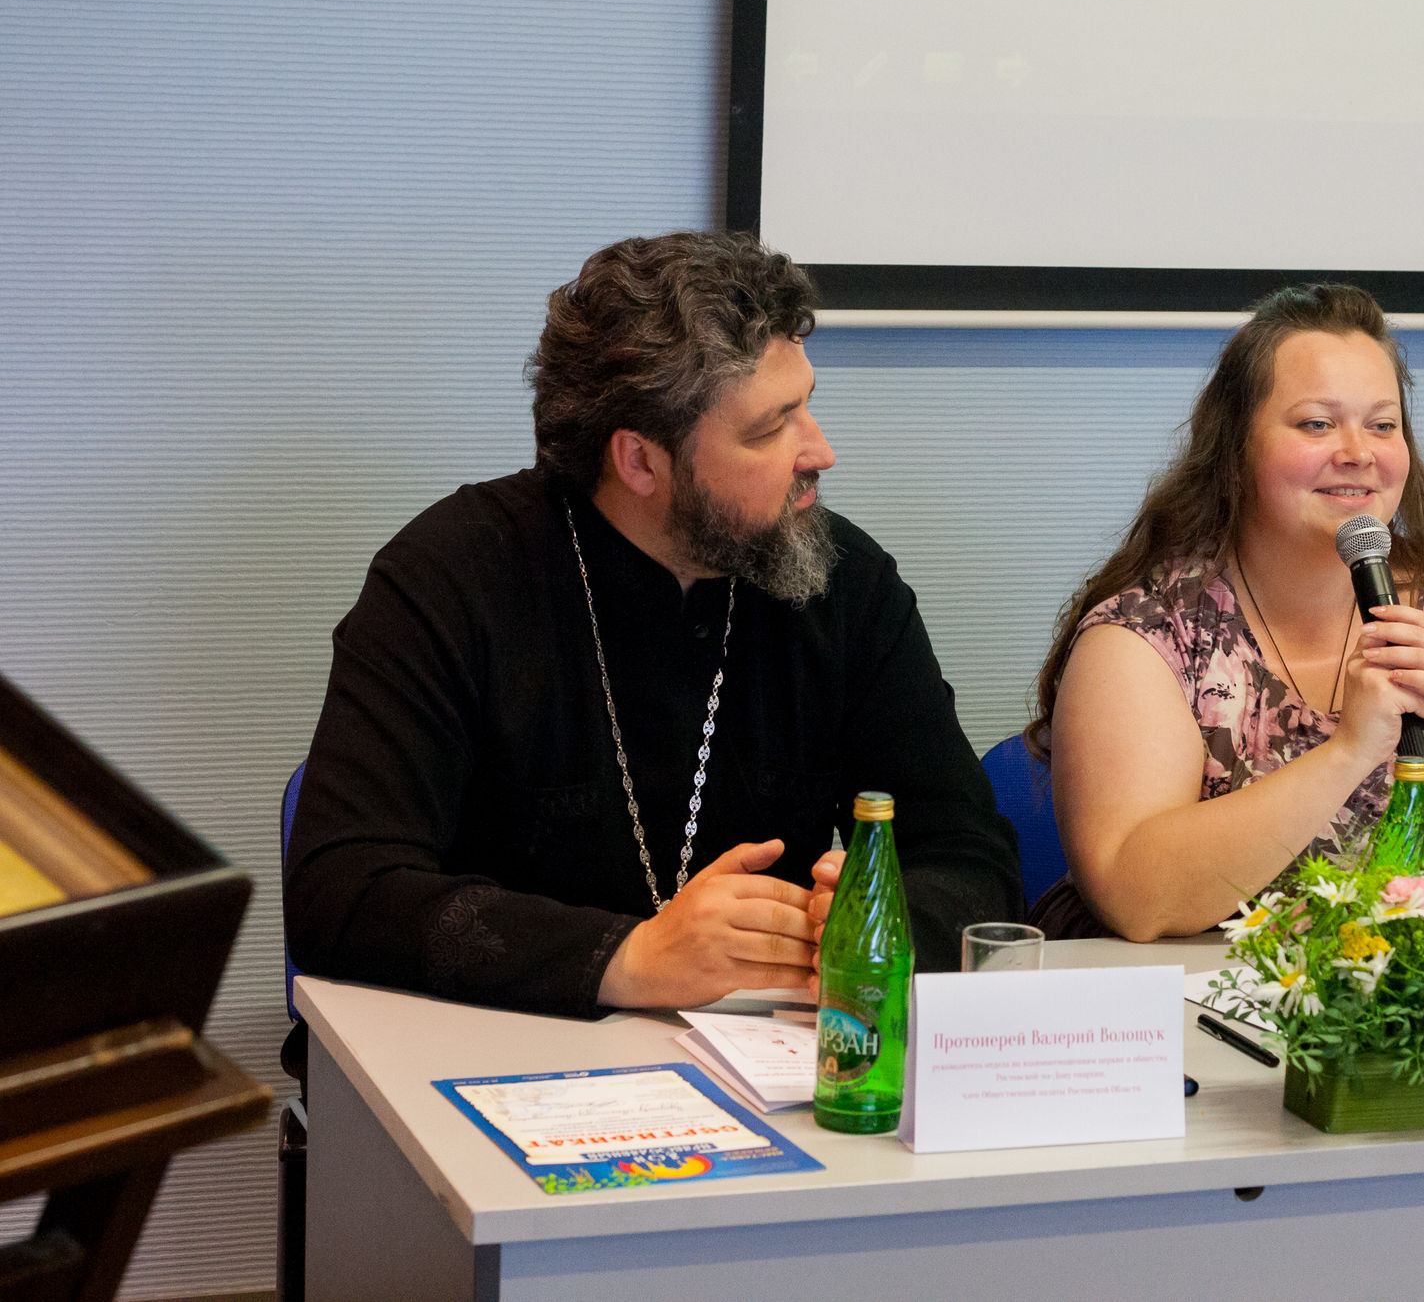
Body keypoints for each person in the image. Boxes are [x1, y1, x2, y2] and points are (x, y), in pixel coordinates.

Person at [284, 232, 1022, 1017]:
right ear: (639, 460)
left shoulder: (845, 582)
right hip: (496, 1051)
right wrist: (628, 956)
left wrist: (881, 918)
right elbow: (340, 888)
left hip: (768, 1061)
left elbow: (972, 859)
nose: (820, 451)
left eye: (807, 404)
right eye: (770, 428)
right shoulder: (452, 578)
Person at [1030, 283, 1424, 942]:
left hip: (1382, 992)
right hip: (1175, 990)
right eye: (1316, 424)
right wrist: (1348, 752)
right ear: (1236, 448)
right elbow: (1138, 900)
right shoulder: (1151, 631)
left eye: (1382, 425)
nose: (1359, 451)